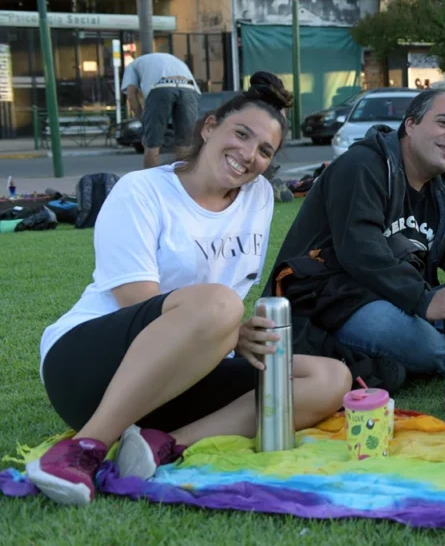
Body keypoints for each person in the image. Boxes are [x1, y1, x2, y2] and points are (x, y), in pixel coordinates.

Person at [27, 75, 351, 506]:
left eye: (264, 151)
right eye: (241, 134)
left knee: (330, 377)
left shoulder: (257, 197)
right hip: (89, 368)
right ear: (209, 127)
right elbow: (138, 302)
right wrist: (230, 329)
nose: (248, 155)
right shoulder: (142, 191)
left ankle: (163, 445)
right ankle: (82, 447)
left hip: (183, 375)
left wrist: (237, 336)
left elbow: (230, 296)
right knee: (220, 304)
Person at [267, 89, 445, 376]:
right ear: (411, 124)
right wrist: (424, 300)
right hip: (333, 296)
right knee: (429, 345)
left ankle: (391, 355)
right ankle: (360, 351)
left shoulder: (443, 187)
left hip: (396, 295)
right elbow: (360, 250)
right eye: (444, 123)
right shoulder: (363, 166)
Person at [121, 52, 201, 170]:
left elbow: (131, 96)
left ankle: (152, 182)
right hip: (189, 88)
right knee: (185, 143)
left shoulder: (132, 66)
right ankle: (183, 180)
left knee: (152, 143)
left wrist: (144, 121)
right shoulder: (174, 59)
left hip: (160, 87)